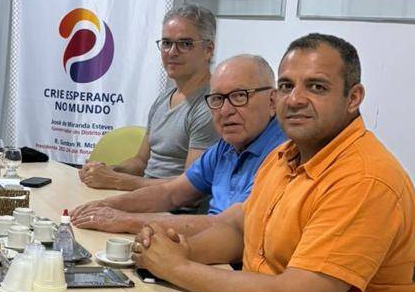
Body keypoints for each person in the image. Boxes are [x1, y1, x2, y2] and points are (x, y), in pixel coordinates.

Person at [132, 34, 415, 292]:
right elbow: (238, 229)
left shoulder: (364, 179)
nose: (295, 99)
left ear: (353, 98)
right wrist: (178, 250)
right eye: (286, 86)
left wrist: (177, 268)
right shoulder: (284, 156)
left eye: (316, 87)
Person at [72, 55, 284, 237]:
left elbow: (228, 227)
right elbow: (170, 193)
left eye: (239, 96)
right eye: (217, 98)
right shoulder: (226, 146)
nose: (225, 110)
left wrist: (125, 221)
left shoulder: (283, 155)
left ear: (272, 101)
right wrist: (107, 206)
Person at [79, 4, 217, 192]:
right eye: (166, 43)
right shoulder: (165, 98)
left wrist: (115, 180)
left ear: (208, 49)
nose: (172, 52)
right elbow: (140, 162)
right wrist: (105, 171)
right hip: (144, 197)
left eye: (185, 44)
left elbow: (191, 187)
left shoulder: (210, 106)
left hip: (174, 207)